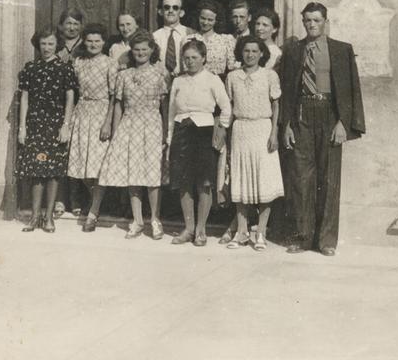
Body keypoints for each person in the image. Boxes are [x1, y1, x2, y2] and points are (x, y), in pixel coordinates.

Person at [279, 2, 366, 256]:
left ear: (325, 22)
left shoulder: (341, 50)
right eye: (307, 20)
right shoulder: (294, 50)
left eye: (316, 20)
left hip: (329, 114)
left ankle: (326, 241)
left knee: (328, 178)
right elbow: (287, 91)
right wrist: (287, 125)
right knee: (301, 178)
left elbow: (351, 89)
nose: (312, 24)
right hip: (302, 114)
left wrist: (343, 123)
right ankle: (303, 237)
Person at [93, 30, 169, 239]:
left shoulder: (160, 74)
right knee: (133, 173)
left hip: (152, 125)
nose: (140, 53)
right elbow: (119, 105)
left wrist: (166, 132)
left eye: (144, 49)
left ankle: (155, 219)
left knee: (153, 175)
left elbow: (165, 107)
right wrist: (116, 131)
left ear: (152, 50)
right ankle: (137, 220)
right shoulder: (124, 75)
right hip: (129, 125)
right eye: (136, 50)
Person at [166, 39, 231, 247]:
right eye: (186, 58)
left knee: (204, 183)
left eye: (194, 57)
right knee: (183, 182)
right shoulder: (178, 81)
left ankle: (201, 229)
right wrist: (169, 138)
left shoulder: (212, 79)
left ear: (204, 58)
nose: (190, 62)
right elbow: (171, 112)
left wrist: (221, 130)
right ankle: (189, 228)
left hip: (204, 132)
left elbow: (226, 107)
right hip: (181, 132)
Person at [15, 28, 77, 232]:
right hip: (35, 124)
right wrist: (22, 128)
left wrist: (65, 126)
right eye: (43, 43)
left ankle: (49, 217)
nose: (47, 48)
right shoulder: (30, 68)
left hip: (56, 125)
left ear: (57, 45)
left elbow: (70, 98)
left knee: (52, 171)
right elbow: (24, 98)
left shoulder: (65, 68)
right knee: (36, 170)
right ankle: (35, 217)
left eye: (51, 43)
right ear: (38, 45)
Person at [225, 36, 282, 250]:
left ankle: (261, 232)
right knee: (241, 179)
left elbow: (276, 105)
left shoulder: (269, 75)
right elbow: (229, 107)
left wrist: (274, 133)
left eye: (254, 51)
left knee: (264, 181)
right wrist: (225, 135)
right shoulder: (232, 76)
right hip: (240, 129)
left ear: (262, 54)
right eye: (246, 51)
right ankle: (241, 231)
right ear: (241, 53)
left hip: (263, 129)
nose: (250, 55)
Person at [66, 25, 116, 232]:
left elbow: (114, 96)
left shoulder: (110, 63)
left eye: (97, 41)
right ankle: (95, 201)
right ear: (84, 42)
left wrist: (108, 122)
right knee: (83, 166)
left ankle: (93, 212)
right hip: (82, 113)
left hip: (101, 114)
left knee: (98, 166)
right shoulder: (78, 62)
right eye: (89, 41)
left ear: (103, 42)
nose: (93, 44)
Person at [54, 8, 86, 217]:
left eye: (75, 23)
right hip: (58, 103)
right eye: (68, 23)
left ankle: (76, 198)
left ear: (81, 26)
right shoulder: (55, 45)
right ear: (61, 26)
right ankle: (59, 199)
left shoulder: (86, 46)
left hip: (81, 104)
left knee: (76, 152)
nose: (72, 27)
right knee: (60, 151)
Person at [189, 0, 238, 77]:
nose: (205, 22)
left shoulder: (226, 40)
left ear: (216, 21)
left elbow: (232, 67)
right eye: (203, 18)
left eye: (210, 20)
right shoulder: (189, 39)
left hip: (218, 81)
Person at [153, 0, 193, 77]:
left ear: (181, 13)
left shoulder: (190, 34)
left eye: (175, 8)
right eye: (167, 7)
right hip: (161, 80)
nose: (170, 10)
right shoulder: (154, 37)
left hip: (186, 79)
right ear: (160, 12)